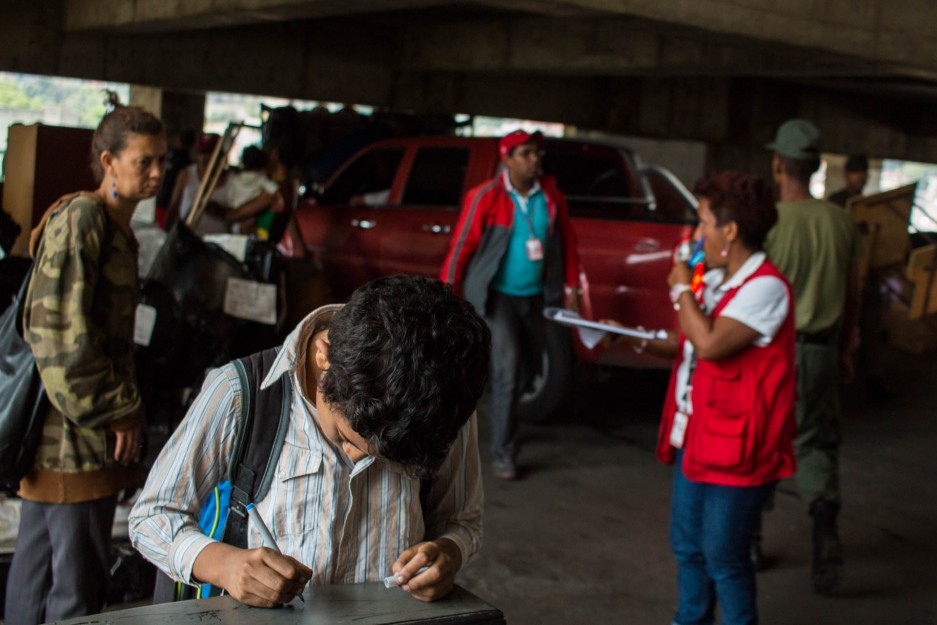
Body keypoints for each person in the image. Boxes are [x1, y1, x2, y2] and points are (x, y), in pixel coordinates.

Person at [129, 275, 490, 607]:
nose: (355, 460)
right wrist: (224, 565)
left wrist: (448, 552)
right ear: (324, 355)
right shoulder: (240, 394)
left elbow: (462, 520)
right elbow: (152, 516)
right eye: (348, 439)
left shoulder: (439, 403)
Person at [602, 170, 796, 625]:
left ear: (729, 231)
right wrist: (628, 337)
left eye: (704, 222)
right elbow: (687, 339)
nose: (696, 234)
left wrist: (678, 286)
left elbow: (710, 343)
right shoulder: (713, 282)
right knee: (688, 548)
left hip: (740, 447)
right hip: (700, 436)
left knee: (724, 557)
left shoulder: (766, 288)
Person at [4, 106, 167, 625]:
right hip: (71, 440)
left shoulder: (113, 224)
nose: (157, 173)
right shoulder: (84, 219)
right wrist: (116, 411)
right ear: (108, 162)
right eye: (144, 162)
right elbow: (56, 335)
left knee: (39, 570)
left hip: (77, 436)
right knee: (75, 589)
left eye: (162, 160)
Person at [439, 129, 580, 481]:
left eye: (537, 154)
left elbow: (567, 242)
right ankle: (505, 451)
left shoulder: (550, 196)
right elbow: (462, 247)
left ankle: (495, 407)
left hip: (534, 296)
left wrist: (572, 285)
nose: (535, 160)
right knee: (509, 369)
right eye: (526, 154)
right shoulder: (486, 196)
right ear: (507, 158)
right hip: (495, 296)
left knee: (529, 369)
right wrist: (445, 290)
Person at [763, 118, 863, 595]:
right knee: (818, 444)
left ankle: (749, 541)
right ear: (819, 166)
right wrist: (845, 348)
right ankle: (825, 536)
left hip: (773, 356)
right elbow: (853, 294)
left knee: (763, 443)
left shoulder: (770, 222)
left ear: (779, 164)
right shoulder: (842, 222)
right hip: (821, 350)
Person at [164, 133, 230, 235]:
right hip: (189, 239)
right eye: (201, 152)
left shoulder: (232, 179)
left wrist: (220, 211)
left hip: (218, 241)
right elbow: (174, 207)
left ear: (220, 154)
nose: (204, 157)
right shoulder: (186, 174)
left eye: (209, 152)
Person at [224, 145, 282, 239]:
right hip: (254, 221)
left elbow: (230, 200)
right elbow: (275, 191)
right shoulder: (261, 179)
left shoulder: (235, 180)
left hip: (237, 222)